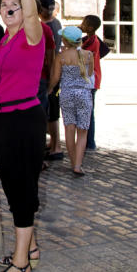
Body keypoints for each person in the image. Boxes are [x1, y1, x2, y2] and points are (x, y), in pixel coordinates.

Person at [0, 0, 45, 272]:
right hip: (2, 120)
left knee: (23, 189)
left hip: (24, 120)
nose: (8, 8)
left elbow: (33, 15)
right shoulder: (5, 39)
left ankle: (21, 263)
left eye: (14, 4)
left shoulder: (30, 36)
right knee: (12, 185)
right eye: (3, 5)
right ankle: (31, 247)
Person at [48, 26, 93, 176]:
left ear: (65, 41)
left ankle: (73, 162)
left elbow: (55, 78)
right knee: (82, 131)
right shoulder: (88, 55)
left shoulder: (61, 57)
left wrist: (50, 88)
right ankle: (78, 165)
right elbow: (91, 73)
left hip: (66, 94)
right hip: (84, 94)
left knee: (69, 128)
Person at [38, 0, 63, 162]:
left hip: (51, 75)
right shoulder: (54, 23)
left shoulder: (50, 26)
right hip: (51, 74)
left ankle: (56, 147)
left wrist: (51, 83)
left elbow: (52, 56)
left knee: (52, 113)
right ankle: (53, 144)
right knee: (50, 113)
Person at [80, 15, 104, 151]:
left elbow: (81, 55)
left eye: (84, 23)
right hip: (90, 79)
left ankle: (90, 142)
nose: (81, 24)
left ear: (90, 27)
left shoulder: (92, 42)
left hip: (91, 80)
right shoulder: (89, 39)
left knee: (89, 112)